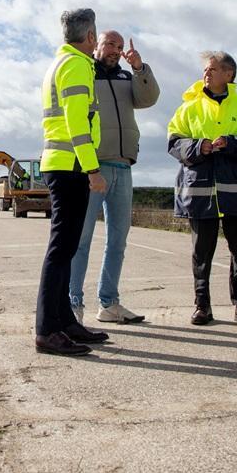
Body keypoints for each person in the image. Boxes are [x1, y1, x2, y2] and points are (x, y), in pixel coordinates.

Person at [167, 52, 237, 326]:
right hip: (199, 192)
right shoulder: (188, 108)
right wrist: (198, 146)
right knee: (201, 252)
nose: (206, 73)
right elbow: (173, 143)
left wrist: (233, 143)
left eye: (213, 69)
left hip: (236, 191)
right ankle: (202, 306)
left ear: (229, 74)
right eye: (205, 69)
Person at [69, 31, 160, 325]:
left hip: (123, 167)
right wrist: (88, 165)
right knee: (80, 242)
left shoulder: (126, 78)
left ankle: (109, 304)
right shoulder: (84, 73)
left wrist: (139, 68)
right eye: (110, 44)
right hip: (92, 168)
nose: (115, 50)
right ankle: (72, 305)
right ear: (96, 45)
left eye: (120, 47)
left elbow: (149, 99)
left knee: (117, 242)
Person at [34, 8, 110, 356]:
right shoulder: (77, 65)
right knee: (62, 250)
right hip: (71, 167)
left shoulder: (60, 63)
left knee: (64, 249)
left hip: (62, 163)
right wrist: (93, 170)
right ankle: (48, 329)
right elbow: (77, 123)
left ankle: (64, 322)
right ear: (91, 36)